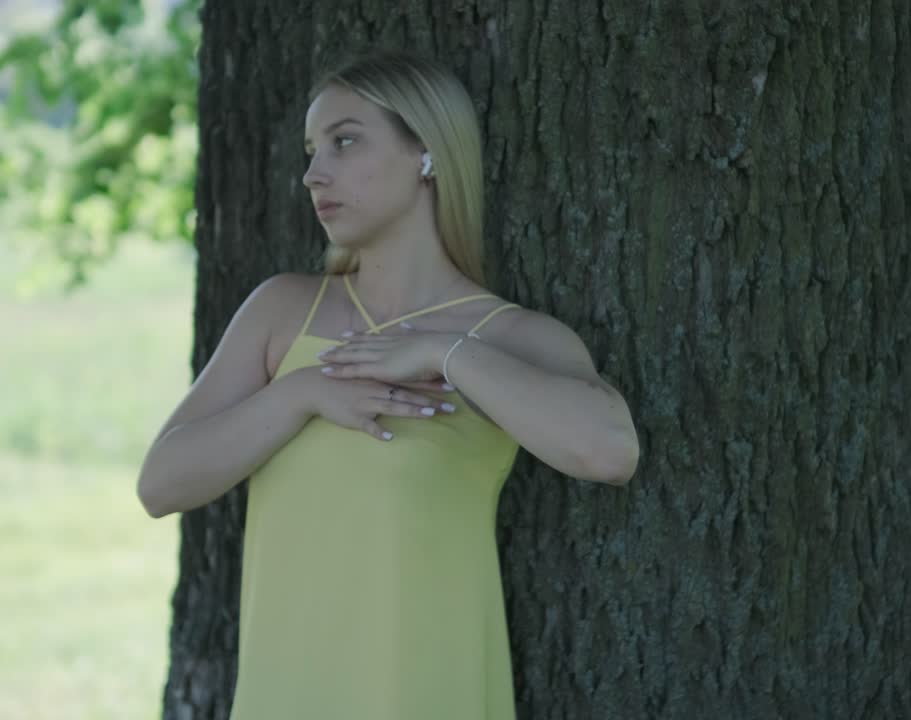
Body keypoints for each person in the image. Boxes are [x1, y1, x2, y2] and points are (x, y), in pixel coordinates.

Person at [137, 49, 639, 720]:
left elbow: (610, 452)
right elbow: (161, 483)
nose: (315, 174)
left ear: (427, 152)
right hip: (287, 688)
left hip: (424, 687)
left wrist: (443, 349)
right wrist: (301, 393)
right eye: (312, 151)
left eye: (344, 141)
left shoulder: (508, 336)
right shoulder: (284, 310)